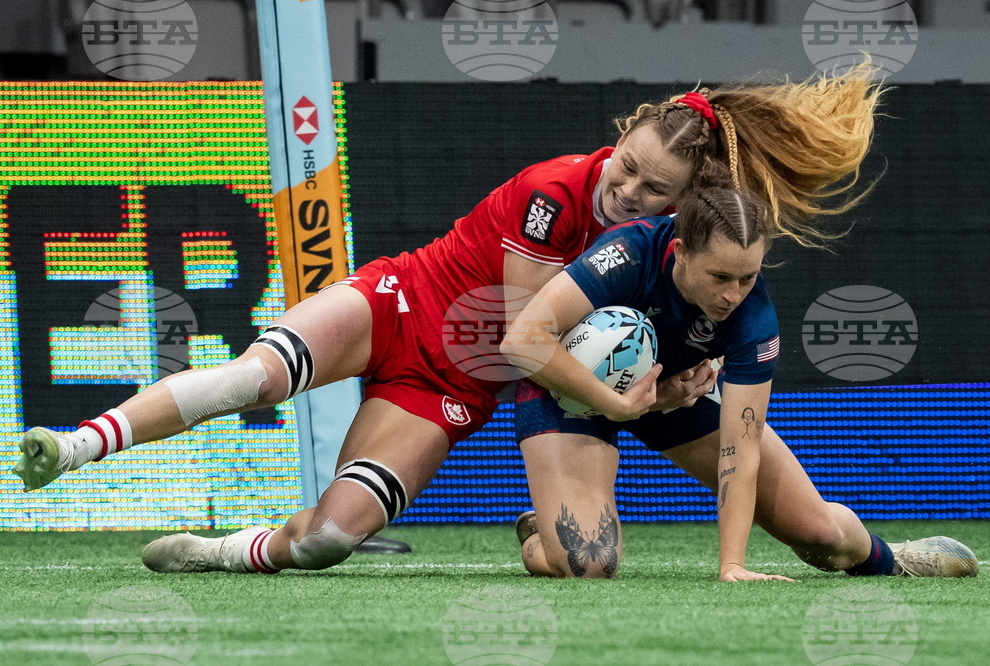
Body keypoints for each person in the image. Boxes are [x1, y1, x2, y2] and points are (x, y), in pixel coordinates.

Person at [13, 65, 886, 575]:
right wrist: (639, 400)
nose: (626, 191)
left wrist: (680, 378)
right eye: (624, 169)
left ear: (685, 200)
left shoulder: (680, 248)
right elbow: (529, 341)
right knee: (253, 375)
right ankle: (78, 444)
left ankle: (220, 552)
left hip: (449, 392)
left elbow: (600, 354)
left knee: (325, 542)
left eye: (652, 189)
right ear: (616, 142)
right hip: (404, 304)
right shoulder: (554, 196)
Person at [503, 183, 979, 581]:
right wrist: (620, 404)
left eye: (748, 277)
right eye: (720, 276)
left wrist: (732, 565)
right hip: (568, 390)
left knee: (822, 538)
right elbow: (521, 341)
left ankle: (890, 557)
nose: (733, 295)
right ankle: (543, 534)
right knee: (589, 565)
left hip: (677, 396)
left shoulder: (755, 319)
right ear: (681, 252)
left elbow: (740, 448)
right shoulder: (628, 253)